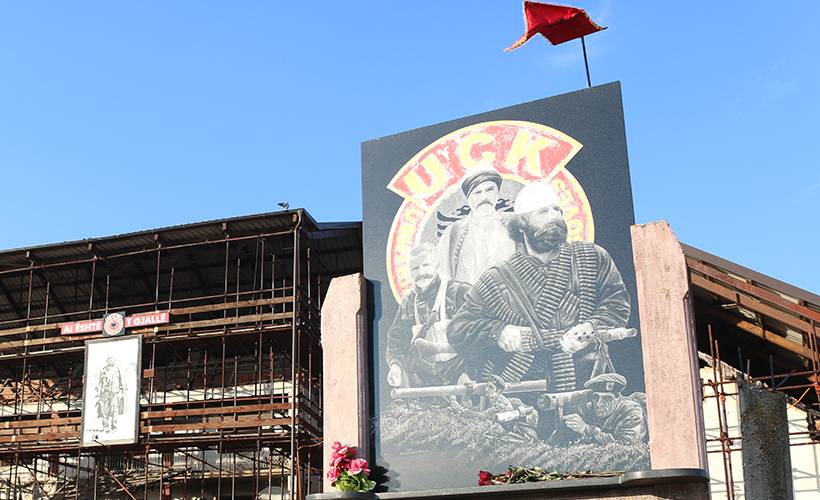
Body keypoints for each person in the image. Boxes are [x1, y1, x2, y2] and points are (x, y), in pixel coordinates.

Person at [448, 181, 631, 392]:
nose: (554, 217)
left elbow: (617, 303)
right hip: (523, 387)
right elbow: (458, 328)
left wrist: (591, 327)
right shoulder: (496, 278)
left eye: (557, 210)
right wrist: (498, 331)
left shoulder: (592, 257)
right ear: (521, 224)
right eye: (543, 212)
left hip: (586, 382)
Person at [386, 243, 471, 388]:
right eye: (415, 268)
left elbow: (478, 335)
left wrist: (470, 372)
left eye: (426, 265)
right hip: (424, 378)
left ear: (437, 265)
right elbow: (397, 340)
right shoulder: (408, 302)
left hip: (459, 373)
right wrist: (395, 366)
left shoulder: (458, 292)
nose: (421, 272)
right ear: (410, 272)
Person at [436, 169, 517, 286]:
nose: (484, 197)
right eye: (477, 192)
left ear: (498, 192)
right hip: (467, 296)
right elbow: (443, 277)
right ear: (468, 198)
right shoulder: (453, 232)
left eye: (489, 190)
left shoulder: (514, 222)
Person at [562, 372, 646, 445]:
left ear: (617, 398)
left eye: (606, 398)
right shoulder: (590, 407)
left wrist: (586, 429)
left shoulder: (631, 411)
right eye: (596, 397)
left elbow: (625, 444)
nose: (599, 403)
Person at [96, 356, 125, 432]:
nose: (110, 361)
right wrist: (99, 389)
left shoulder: (117, 369)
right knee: (104, 409)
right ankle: (105, 426)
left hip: (114, 392)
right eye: (109, 360)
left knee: (114, 409)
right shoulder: (103, 370)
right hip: (105, 392)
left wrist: (121, 390)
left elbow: (122, 380)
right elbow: (99, 381)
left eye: (112, 360)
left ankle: (114, 427)